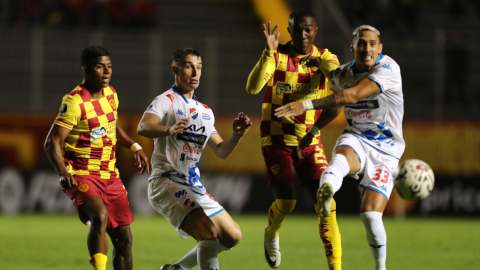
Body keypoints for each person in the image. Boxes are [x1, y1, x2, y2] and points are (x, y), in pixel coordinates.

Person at [275, 25, 405, 270]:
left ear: (380, 48)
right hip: (356, 136)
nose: (367, 48)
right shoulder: (342, 73)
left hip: (386, 148)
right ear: (352, 46)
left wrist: (305, 106)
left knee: (370, 215)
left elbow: (353, 96)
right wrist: (313, 130)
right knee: (341, 157)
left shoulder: (389, 69)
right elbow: (336, 105)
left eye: (372, 43)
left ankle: (380, 267)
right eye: (362, 43)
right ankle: (326, 190)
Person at [137, 47, 252, 270]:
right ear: (175, 69)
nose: (195, 72)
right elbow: (144, 126)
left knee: (233, 236)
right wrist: (169, 130)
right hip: (166, 181)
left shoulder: (206, 112)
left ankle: (178, 268)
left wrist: (237, 135)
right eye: (189, 66)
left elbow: (221, 150)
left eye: (198, 67)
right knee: (208, 233)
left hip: (192, 184)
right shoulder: (166, 100)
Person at [246, 9, 342, 270]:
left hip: (309, 142)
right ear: (290, 31)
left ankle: (336, 267)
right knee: (287, 201)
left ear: (316, 31)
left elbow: (340, 90)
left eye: (308, 29)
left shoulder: (326, 58)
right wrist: (268, 53)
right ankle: (271, 233)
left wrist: (324, 68)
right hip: (276, 139)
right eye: (297, 29)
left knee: (326, 203)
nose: (303, 34)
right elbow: (253, 88)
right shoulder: (277, 57)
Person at [44, 46, 151, 270]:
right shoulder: (74, 102)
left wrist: (134, 145)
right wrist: (63, 173)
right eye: (99, 66)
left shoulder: (111, 94)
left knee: (124, 241)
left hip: (110, 176)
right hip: (82, 174)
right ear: (85, 70)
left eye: (109, 66)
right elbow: (52, 142)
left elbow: (112, 128)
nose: (106, 71)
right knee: (99, 215)